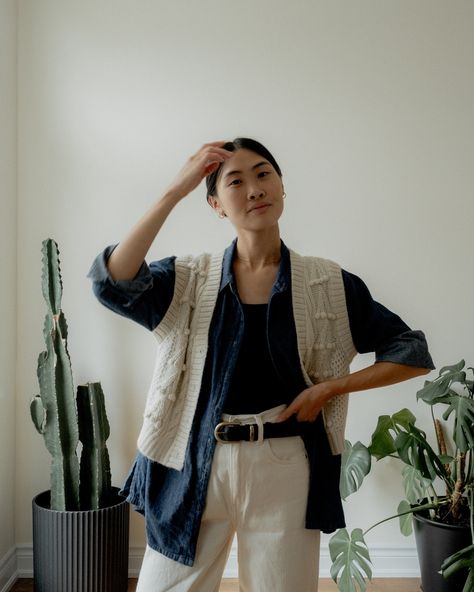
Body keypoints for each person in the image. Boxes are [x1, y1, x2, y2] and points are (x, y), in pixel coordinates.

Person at [88, 138, 434, 592]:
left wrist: (329, 390)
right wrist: (176, 188)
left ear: (282, 187)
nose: (254, 189)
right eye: (236, 181)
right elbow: (113, 283)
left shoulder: (327, 282)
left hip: (284, 464)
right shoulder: (188, 279)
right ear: (215, 204)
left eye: (263, 173)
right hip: (193, 463)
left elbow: (410, 351)